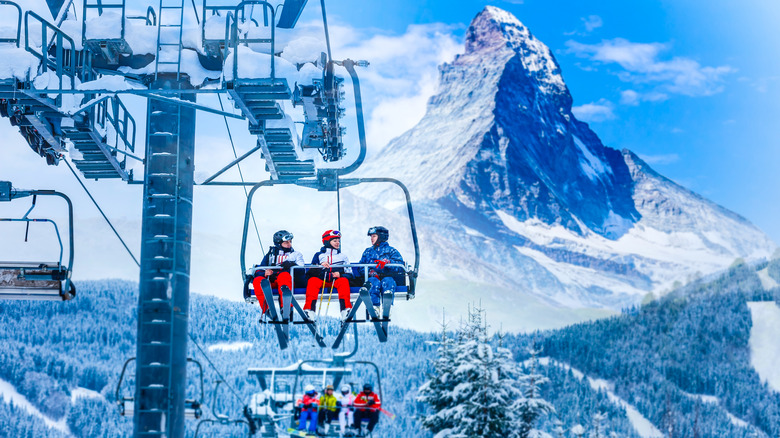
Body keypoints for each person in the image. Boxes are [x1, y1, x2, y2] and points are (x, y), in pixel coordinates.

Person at [304, 230, 358, 321]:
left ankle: (345, 310)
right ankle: (309, 310)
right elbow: (311, 272)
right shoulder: (319, 255)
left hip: (336, 280)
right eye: (335, 241)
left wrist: (340, 274)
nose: (338, 243)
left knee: (343, 281)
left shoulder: (343, 256)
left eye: (338, 241)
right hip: (322, 279)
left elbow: (350, 274)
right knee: (312, 281)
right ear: (327, 242)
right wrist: (320, 267)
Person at [250, 230, 305, 317]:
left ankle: (286, 307)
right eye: (286, 242)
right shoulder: (270, 255)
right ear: (279, 243)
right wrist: (265, 273)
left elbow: (301, 270)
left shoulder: (296, 255)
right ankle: (268, 310)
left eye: (290, 242)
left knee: (284, 275)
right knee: (258, 281)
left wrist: (291, 265)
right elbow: (259, 270)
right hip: (271, 282)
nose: (289, 244)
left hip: (286, 281)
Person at [358, 226, 405, 315]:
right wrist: (370, 272)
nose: (371, 239)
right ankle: (374, 307)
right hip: (373, 278)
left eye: (374, 236)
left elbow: (400, 266)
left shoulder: (391, 251)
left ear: (381, 237)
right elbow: (360, 267)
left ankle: (387, 306)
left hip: (387, 276)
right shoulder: (368, 252)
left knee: (388, 281)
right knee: (372, 282)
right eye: (371, 236)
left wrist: (389, 263)